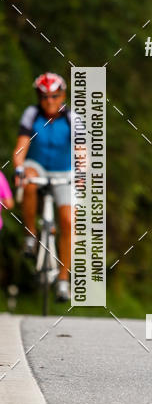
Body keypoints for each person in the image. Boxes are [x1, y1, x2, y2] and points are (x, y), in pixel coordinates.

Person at [12, 73, 74, 302]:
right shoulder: (32, 114)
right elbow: (21, 147)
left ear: (63, 96)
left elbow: (83, 152)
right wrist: (18, 167)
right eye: (44, 96)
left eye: (55, 96)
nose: (49, 101)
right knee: (27, 179)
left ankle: (63, 280)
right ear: (38, 97)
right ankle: (30, 234)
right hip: (36, 165)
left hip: (64, 171)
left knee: (68, 221)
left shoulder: (72, 119)